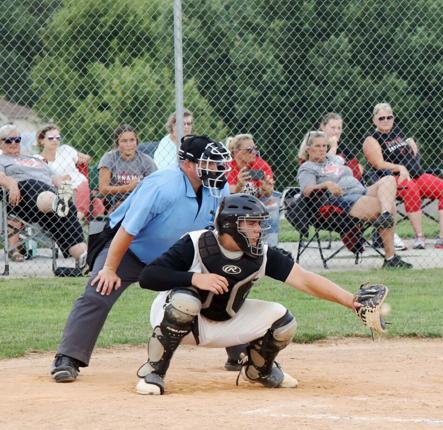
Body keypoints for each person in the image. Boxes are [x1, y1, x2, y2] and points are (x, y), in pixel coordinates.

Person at [133, 193, 379, 394]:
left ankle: (258, 371)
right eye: (250, 223)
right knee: (185, 301)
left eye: (259, 223)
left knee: (283, 321)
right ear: (230, 225)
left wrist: (351, 301)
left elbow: (305, 279)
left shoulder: (262, 254)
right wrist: (195, 278)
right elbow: (148, 277)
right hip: (183, 319)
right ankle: (154, 371)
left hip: (225, 322)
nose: (258, 230)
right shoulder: (196, 243)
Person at [49, 135, 232, 383]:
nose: (217, 169)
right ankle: (68, 357)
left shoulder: (218, 187)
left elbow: (219, 231)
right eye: (209, 163)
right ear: (187, 165)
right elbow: (127, 230)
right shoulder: (162, 185)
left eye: (218, 163)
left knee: (221, 286)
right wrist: (110, 269)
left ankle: (241, 353)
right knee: (99, 290)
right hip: (131, 250)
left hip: (179, 255)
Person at [298, 130, 412, 268]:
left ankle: (385, 215)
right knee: (387, 205)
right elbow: (307, 190)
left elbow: (333, 148)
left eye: (324, 146)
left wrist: (333, 143)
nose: (322, 149)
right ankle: (391, 257)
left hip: (361, 191)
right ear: (308, 149)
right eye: (317, 146)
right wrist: (326, 184)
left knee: (389, 180)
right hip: (341, 199)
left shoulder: (332, 159)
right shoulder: (307, 168)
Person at [362, 103, 443, 250]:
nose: (386, 120)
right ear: (374, 120)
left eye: (389, 117)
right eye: (381, 118)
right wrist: (399, 168)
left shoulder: (397, 132)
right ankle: (419, 237)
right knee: (411, 189)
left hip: (415, 174)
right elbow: (378, 164)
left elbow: (408, 154)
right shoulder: (372, 139)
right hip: (391, 179)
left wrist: (410, 142)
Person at [0, 124, 86, 265]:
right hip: (22, 198)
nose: (14, 143)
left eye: (17, 139)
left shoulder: (35, 159)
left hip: (47, 198)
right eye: (9, 140)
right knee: (34, 184)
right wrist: (11, 184)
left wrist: (63, 184)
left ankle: (84, 258)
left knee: (68, 211)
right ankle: (57, 203)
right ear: (0, 143)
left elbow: (54, 177)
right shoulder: (2, 160)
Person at [225, 134, 280, 248]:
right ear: (236, 152)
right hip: (234, 205)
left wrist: (266, 189)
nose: (254, 152)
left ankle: (270, 247)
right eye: (249, 150)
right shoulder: (228, 166)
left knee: (272, 203)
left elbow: (268, 192)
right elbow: (227, 193)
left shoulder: (261, 165)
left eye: (255, 149)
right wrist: (239, 185)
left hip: (256, 204)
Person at [36, 124, 93, 219]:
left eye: (58, 138)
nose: (55, 140)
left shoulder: (66, 149)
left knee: (84, 186)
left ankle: (78, 218)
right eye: (51, 138)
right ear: (41, 140)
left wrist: (83, 159)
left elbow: (85, 158)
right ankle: (72, 219)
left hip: (77, 182)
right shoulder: (38, 159)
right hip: (58, 188)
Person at [98, 124, 158, 212]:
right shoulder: (109, 158)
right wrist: (127, 188)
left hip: (141, 200)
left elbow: (156, 185)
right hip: (118, 202)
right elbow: (103, 189)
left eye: (132, 140)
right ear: (117, 143)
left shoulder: (146, 160)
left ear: (137, 141)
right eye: (124, 141)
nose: (129, 144)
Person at [320, 112, 363, 180]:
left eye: (339, 128)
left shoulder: (341, 145)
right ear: (323, 127)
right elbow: (324, 168)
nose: (336, 131)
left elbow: (356, 166)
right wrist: (333, 147)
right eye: (333, 127)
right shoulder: (316, 143)